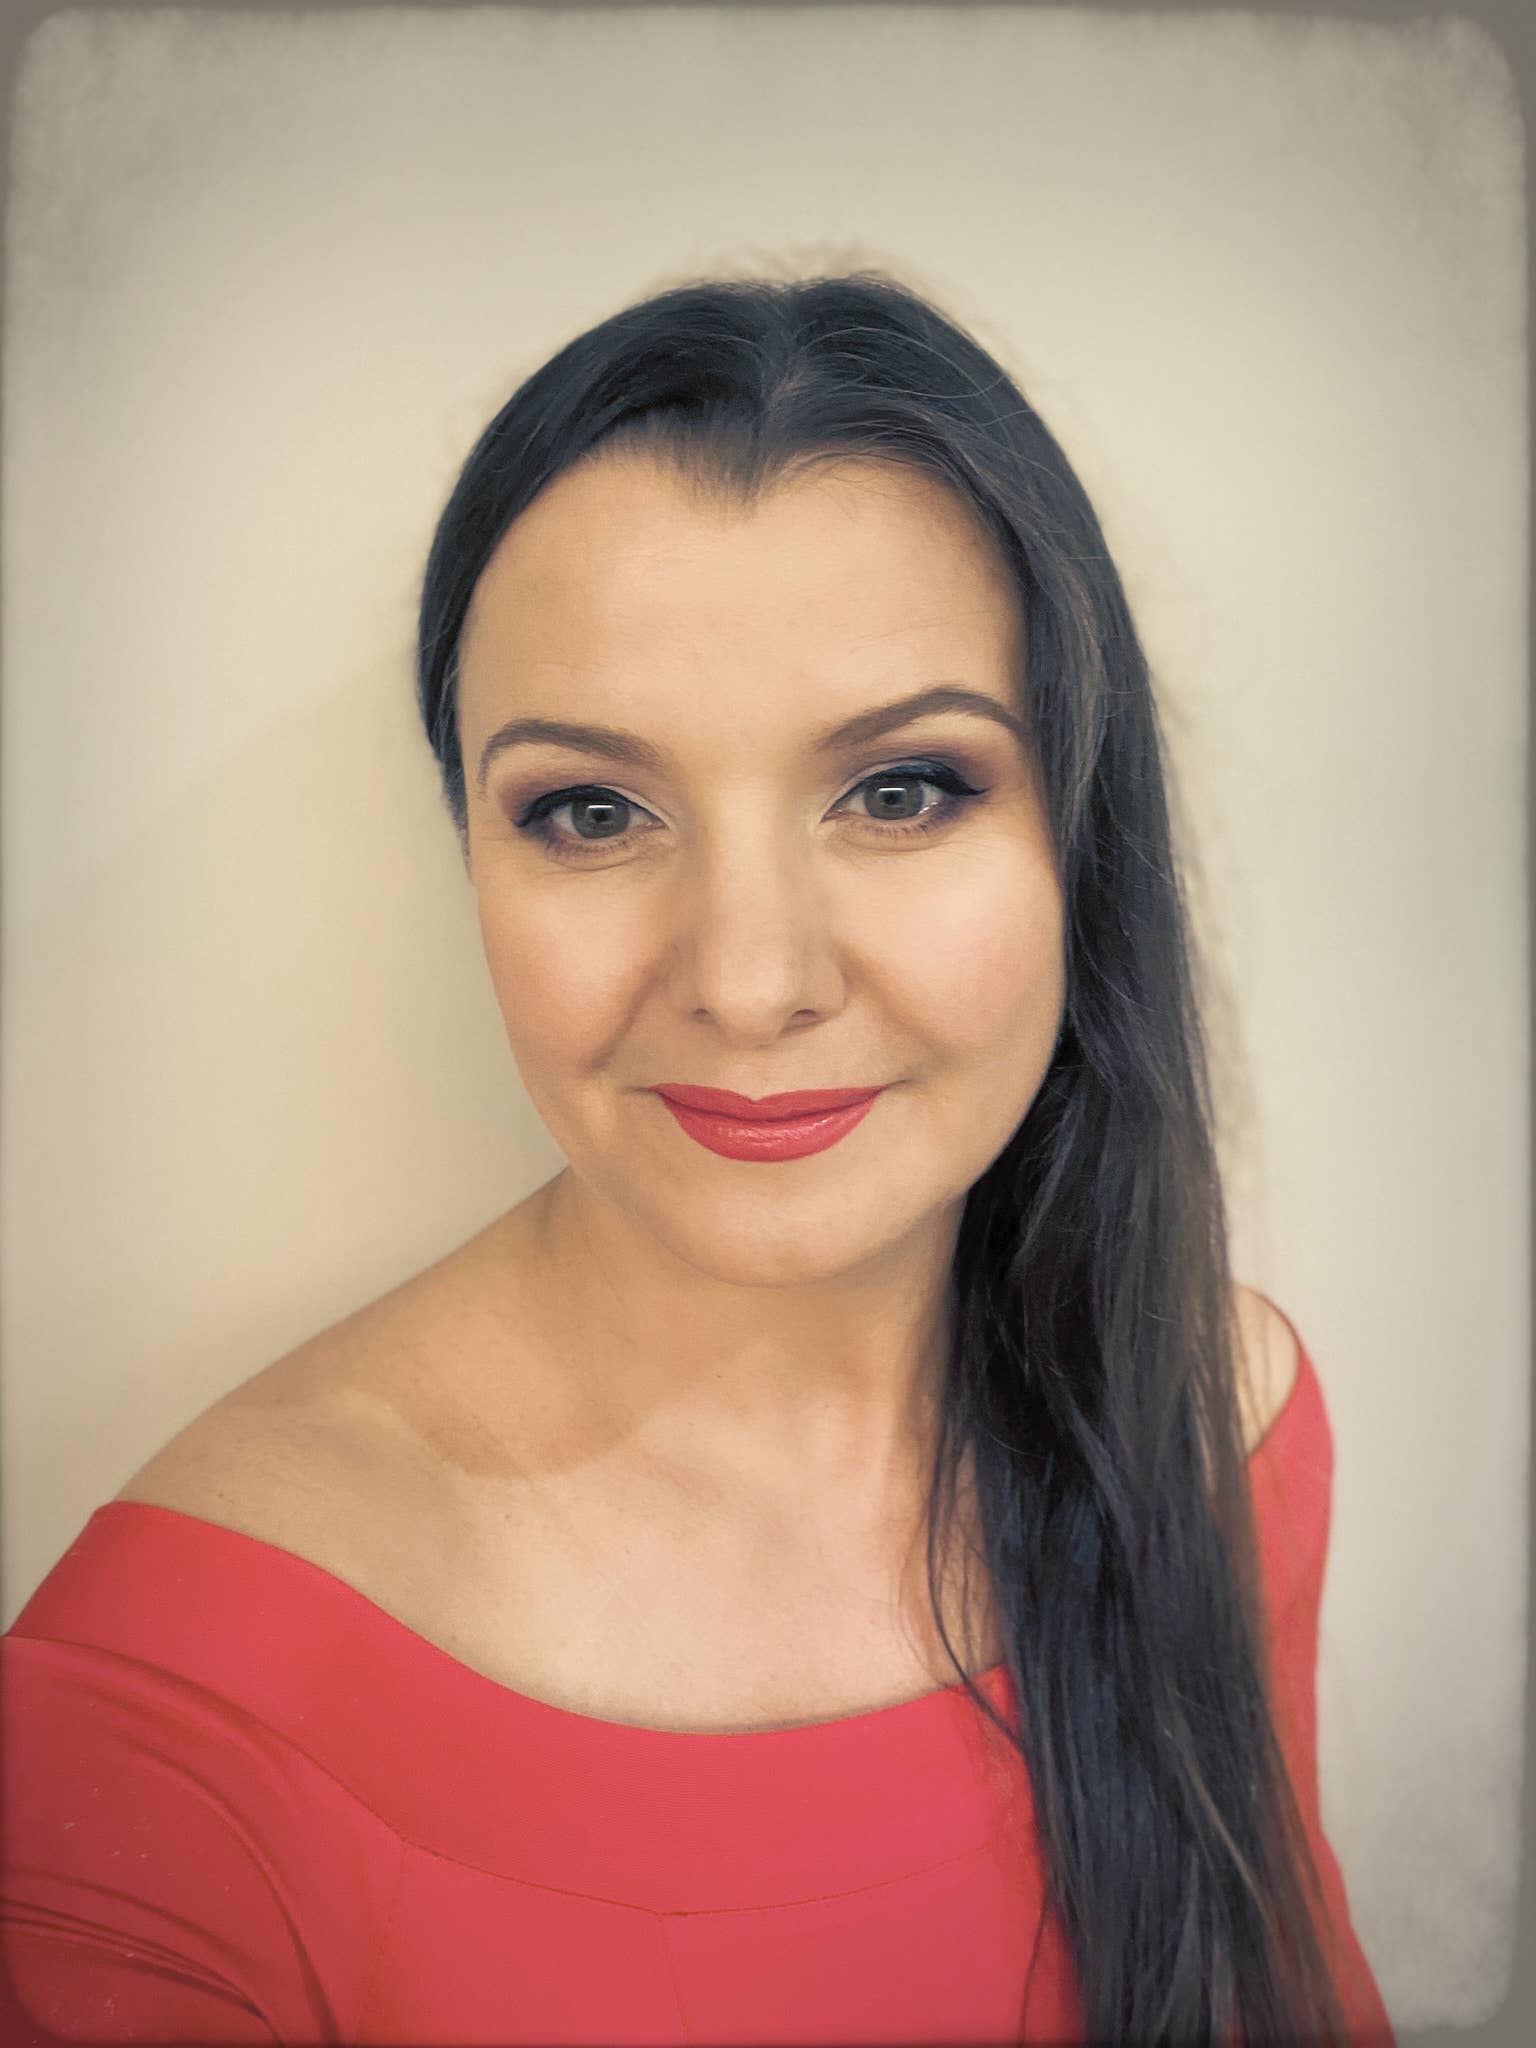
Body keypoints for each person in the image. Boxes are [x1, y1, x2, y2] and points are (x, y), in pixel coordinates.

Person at [0, 270, 1395, 2046]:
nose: (748, 980)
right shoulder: (155, 1727)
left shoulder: (1216, 1417)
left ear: (1079, 833)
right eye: (592, 811)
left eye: (903, 790)